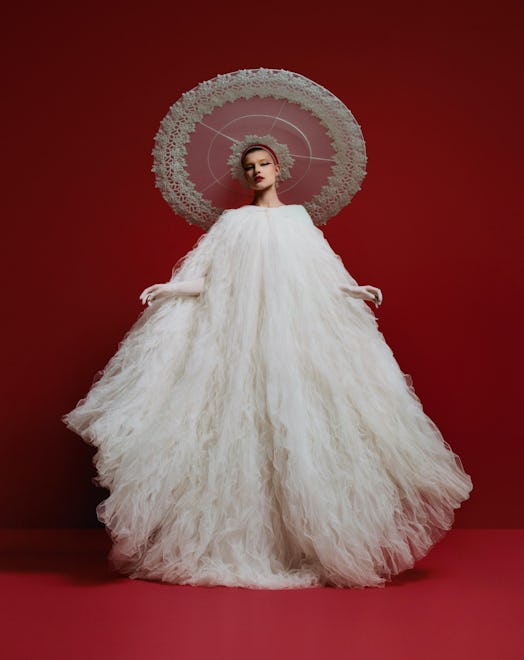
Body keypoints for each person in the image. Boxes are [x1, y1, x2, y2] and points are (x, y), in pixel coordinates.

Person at [63, 143, 473, 589]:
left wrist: (354, 290)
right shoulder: (232, 223)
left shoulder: (299, 221)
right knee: (243, 432)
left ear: (280, 169)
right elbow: (216, 278)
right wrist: (172, 288)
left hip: (294, 342)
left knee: (301, 428)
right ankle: (246, 541)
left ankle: (305, 542)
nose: (257, 172)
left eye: (263, 165)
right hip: (242, 344)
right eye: (249, 168)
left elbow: (318, 274)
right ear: (244, 176)